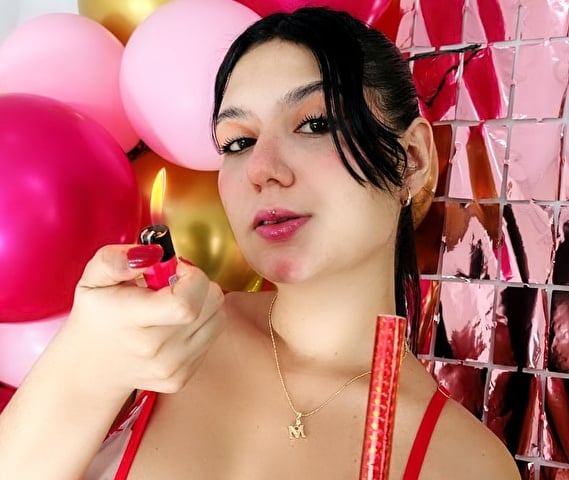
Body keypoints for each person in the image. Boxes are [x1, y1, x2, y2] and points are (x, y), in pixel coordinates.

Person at [0, 7, 520, 479]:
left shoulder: (464, 465)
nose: (261, 169)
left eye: (315, 123)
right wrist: (84, 369)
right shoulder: (150, 347)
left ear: (413, 158)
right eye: (239, 142)